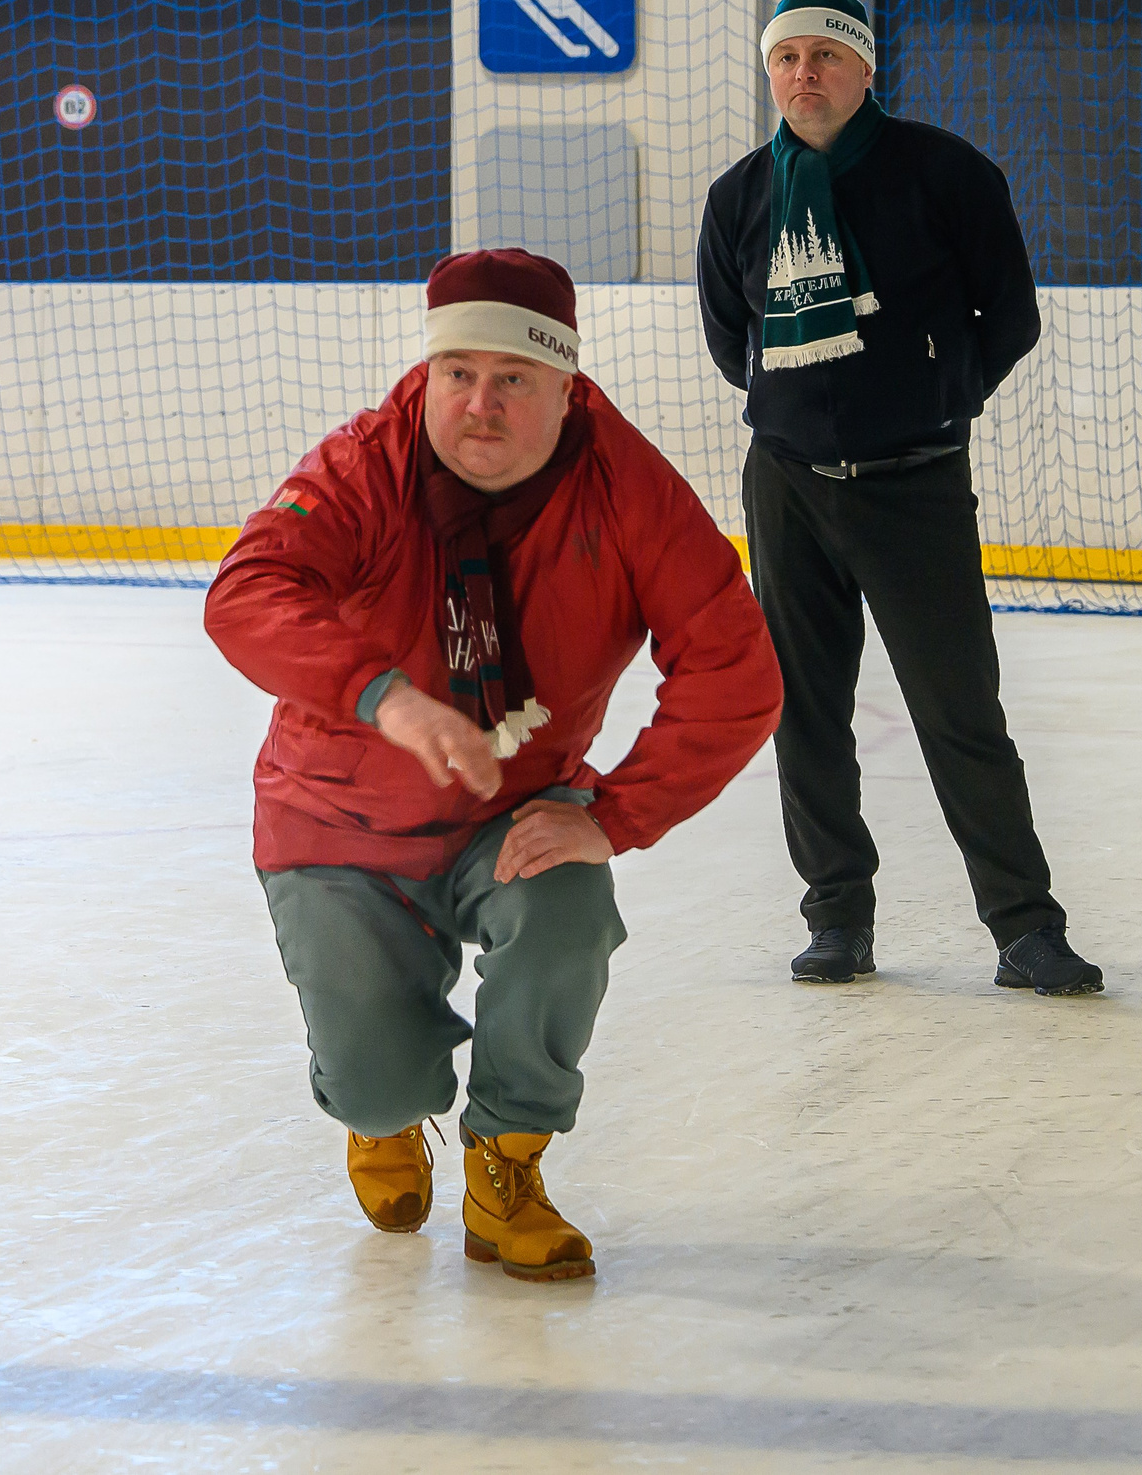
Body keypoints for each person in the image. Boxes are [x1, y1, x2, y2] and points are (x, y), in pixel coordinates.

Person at [205, 248, 782, 1283]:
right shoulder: (362, 466)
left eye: (512, 379)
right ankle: (380, 1115)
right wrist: (385, 695)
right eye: (457, 373)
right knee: (380, 1084)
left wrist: (614, 815)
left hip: (511, 810)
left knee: (566, 904)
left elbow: (735, 667)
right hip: (337, 821)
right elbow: (246, 593)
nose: (479, 404)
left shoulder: (624, 487)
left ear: (566, 387)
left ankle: (506, 1162)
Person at [694, 0, 1102, 996]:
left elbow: (1005, 315)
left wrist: (931, 400)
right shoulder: (740, 197)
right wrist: (803, 417)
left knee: (960, 713)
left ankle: (1024, 929)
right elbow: (725, 337)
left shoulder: (944, 173)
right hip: (786, 485)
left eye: (824, 57)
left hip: (914, 486)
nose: (804, 75)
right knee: (803, 711)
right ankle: (836, 919)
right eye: (786, 59)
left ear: (865, 69)